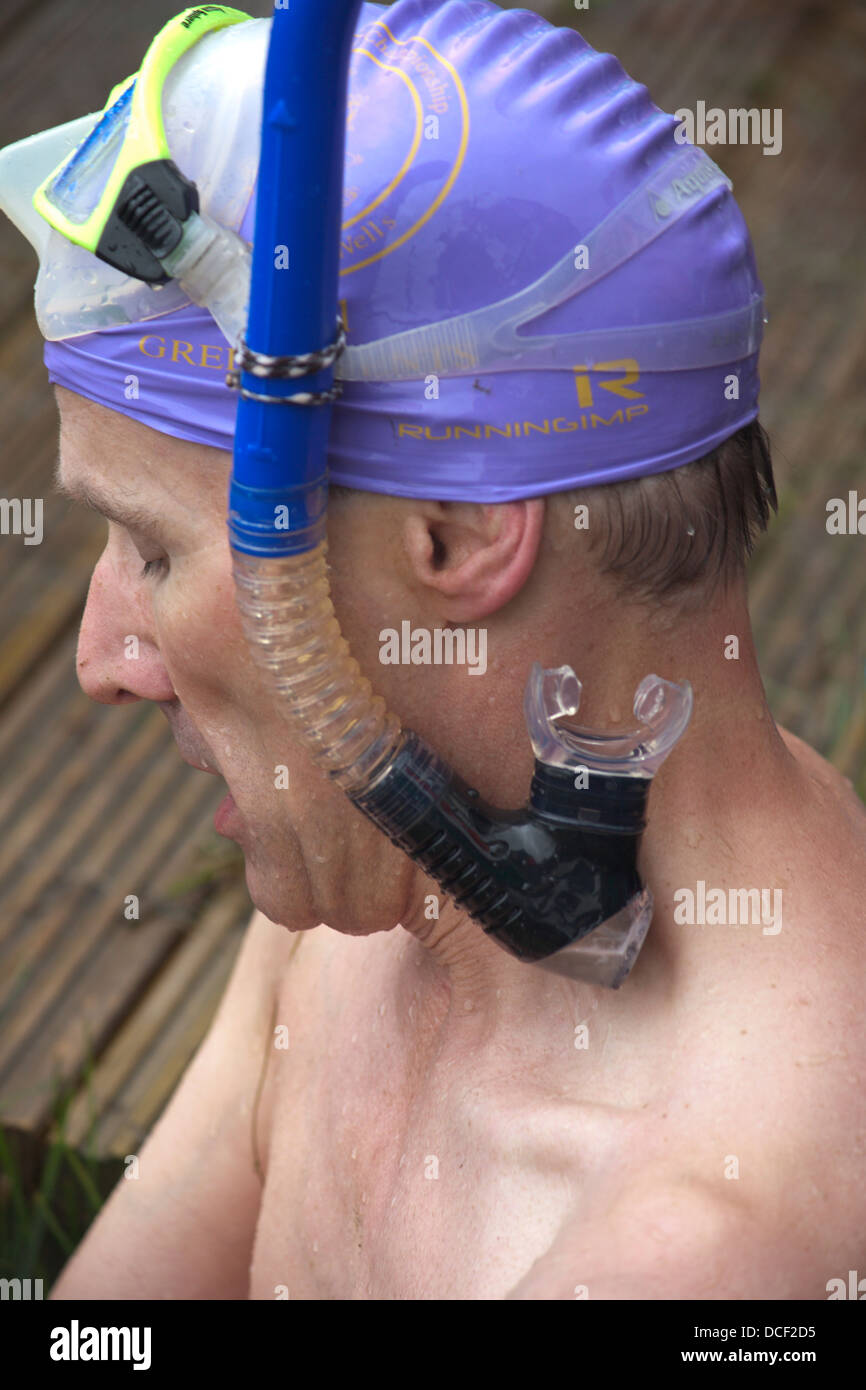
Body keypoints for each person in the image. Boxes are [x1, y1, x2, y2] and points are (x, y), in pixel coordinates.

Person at [4, 0, 865, 1299]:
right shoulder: (383, 853)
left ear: (456, 539)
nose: (103, 658)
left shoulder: (708, 1242)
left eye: (155, 551)